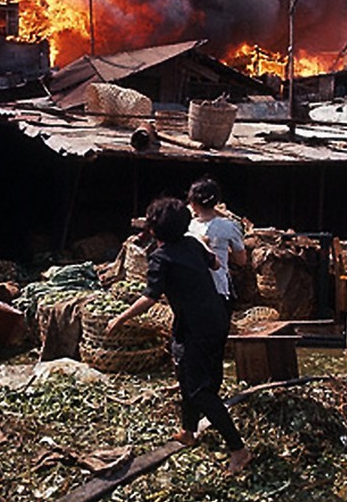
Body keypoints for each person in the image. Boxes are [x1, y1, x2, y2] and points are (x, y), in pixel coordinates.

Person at [106, 197, 251, 475]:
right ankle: (188, 430)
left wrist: (120, 317)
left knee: (200, 391)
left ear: (155, 230)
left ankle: (238, 449)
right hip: (213, 319)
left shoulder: (161, 258)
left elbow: (150, 297)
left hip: (197, 326)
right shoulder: (193, 244)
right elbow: (217, 264)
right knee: (187, 375)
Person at [186, 177, 246, 313]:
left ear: (193, 203)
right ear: (217, 202)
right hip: (218, 288)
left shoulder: (187, 227)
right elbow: (241, 261)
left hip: (190, 289)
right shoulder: (229, 226)